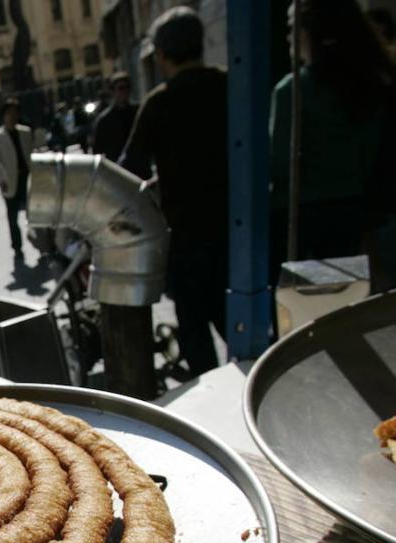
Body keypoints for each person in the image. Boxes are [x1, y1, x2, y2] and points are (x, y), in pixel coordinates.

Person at [121, 6, 229, 379]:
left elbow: (128, 170)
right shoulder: (230, 86)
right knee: (241, 330)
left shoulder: (160, 102)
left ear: (162, 55)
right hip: (237, 235)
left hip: (186, 241)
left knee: (197, 339)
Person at [270, 0, 396, 272]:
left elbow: (280, 164)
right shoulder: (365, 84)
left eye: (292, 28)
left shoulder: (292, 90)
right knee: (339, 295)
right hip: (349, 210)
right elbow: (370, 154)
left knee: (304, 302)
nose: (288, 37)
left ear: (309, 32)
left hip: (300, 218)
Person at [0, 96, 37, 266]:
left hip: (27, 178)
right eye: (9, 113)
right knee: (12, 217)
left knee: (35, 213)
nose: (12, 116)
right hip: (10, 181)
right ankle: (17, 247)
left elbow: (32, 154)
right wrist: (0, 179)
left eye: (15, 113)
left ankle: (40, 242)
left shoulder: (25, 132)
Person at [91, 71, 137, 163]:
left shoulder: (138, 112)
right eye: (121, 88)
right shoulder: (104, 120)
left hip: (140, 169)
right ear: (112, 91)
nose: (125, 91)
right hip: (117, 169)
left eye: (127, 87)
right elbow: (97, 151)